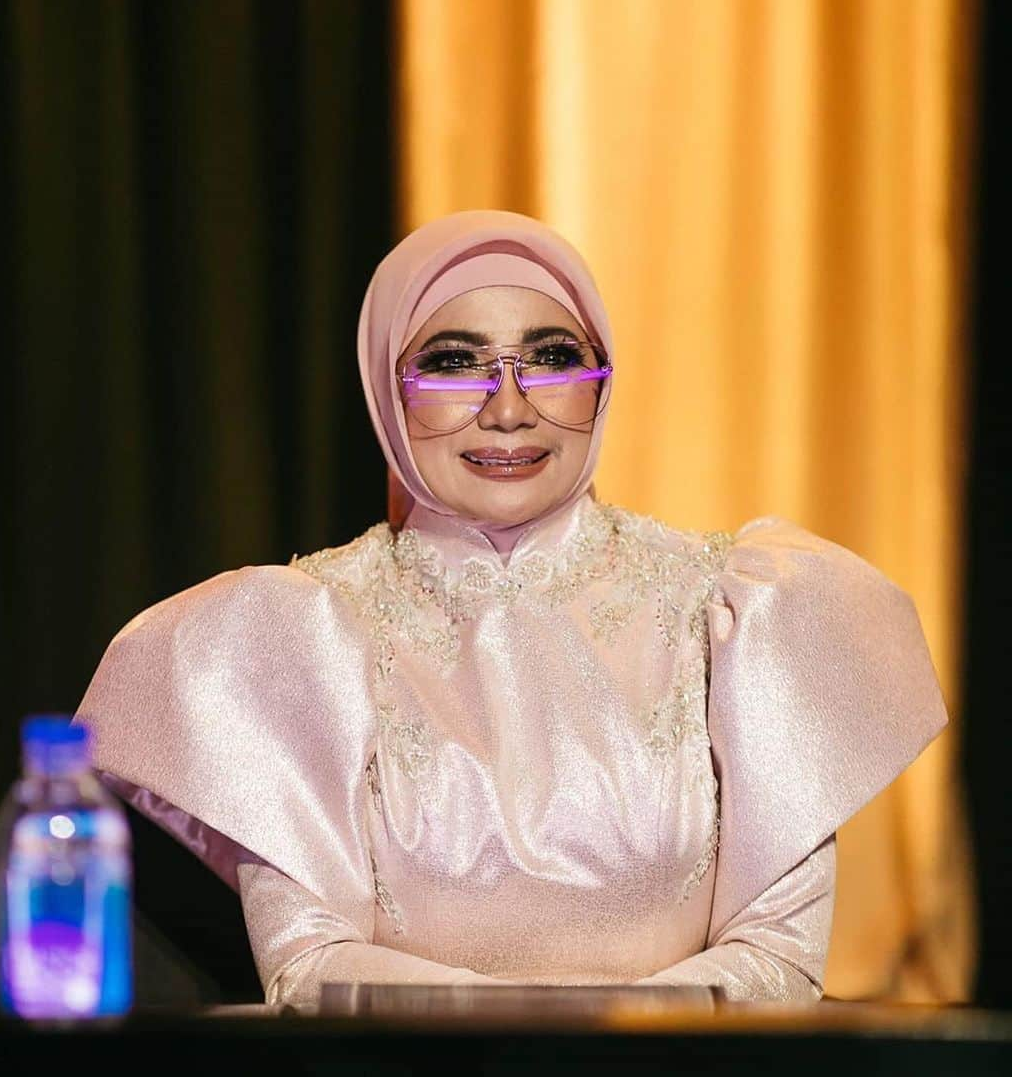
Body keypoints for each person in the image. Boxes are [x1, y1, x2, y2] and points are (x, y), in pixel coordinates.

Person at [72, 208, 949, 1012]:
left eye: (553, 358)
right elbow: (312, 970)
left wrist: (588, 1044)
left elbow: (777, 969)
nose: (508, 407)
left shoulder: (740, 616)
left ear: (602, 385)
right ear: (386, 390)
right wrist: (548, 1034)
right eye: (453, 364)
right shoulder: (295, 637)